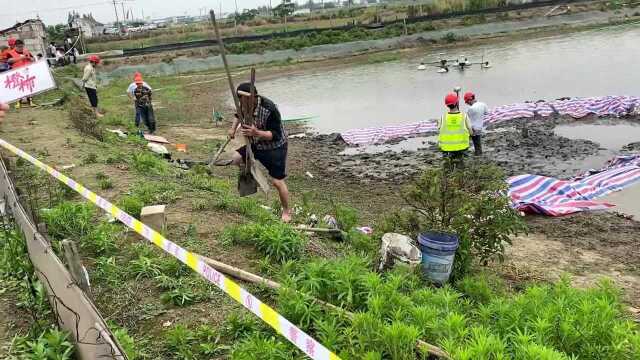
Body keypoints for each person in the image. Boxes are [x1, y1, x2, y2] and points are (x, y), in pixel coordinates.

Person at [228, 83, 291, 222]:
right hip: (256, 144)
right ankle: (251, 180)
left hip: (275, 147)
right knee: (236, 159)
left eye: (244, 101)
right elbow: (238, 114)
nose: (242, 104)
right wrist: (232, 129)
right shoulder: (243, 105)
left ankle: (287, 212)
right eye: (240, 100)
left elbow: (275, 135)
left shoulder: (269, 108)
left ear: (254, 98)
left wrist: (256, 132)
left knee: (277, 182)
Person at [438, 92, 473, 169]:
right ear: (457, 102)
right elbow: (471, 131)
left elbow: (439, 129)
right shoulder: (464, 116)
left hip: (446, 148)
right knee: (461, 165)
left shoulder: (443, 117)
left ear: (447, 105)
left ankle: (448, 174)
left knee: (447, 166)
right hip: (461, 147)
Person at [6, 40, 35, 108]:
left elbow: (33, 59)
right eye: (19, 47)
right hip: (17, 73)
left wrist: (29, 58)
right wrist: (20, 58)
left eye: (22, 46)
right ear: (15, 46)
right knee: (19, 87)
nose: (21, 48)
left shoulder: (26, 51)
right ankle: (19, 102)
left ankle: (30, 101)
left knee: (29, 86)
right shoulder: (10, 52)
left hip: (27, 71)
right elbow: (9, 61)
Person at [464, 92, 489, 156]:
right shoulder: (483, 104)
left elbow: (466, 119)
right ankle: (479, 153)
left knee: (465, 141)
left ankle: (464, 153)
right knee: (477, 142)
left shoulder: (471, 109)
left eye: (467, 102)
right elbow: (486, 113)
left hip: (472, 128)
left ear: (469, 100)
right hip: (480, 128)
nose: (467, 103)